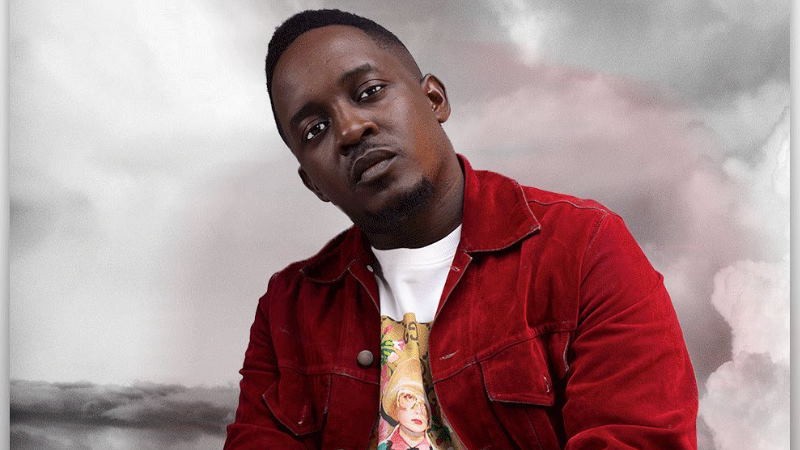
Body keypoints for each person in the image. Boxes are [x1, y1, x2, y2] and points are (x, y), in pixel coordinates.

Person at [224, 8, 698, 450]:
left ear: (435, 99)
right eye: (315, 130)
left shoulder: (582, 247)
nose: (350, 129)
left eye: (368, 92)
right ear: (313, 183)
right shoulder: (289, 307)